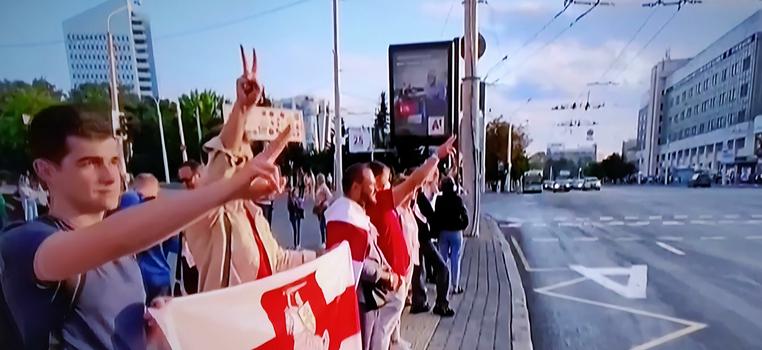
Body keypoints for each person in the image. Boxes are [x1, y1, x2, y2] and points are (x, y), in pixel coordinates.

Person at [0, 103, 283, 349]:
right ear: (45, 170)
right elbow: (118, 237)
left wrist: (154, 324)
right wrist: (229, 189)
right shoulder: (28, 242)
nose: (111, 175)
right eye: (89, 163)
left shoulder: (121, 252)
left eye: (114, 161)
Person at [184, 46, 316, 292]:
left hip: (261, 321)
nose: (249, 167)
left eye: (249, 159)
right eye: (240, 161)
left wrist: (322, 256)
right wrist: (241, 110)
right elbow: (221, 169)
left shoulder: (251, 213)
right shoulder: (205, 214)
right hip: (228, 326)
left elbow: (277, 261)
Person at [364, 135, 456, 350]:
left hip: (397, 275)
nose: (389, 183)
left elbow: (415, 185)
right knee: (382, 329)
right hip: (390, 279)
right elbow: (413, 181)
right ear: (374, 181)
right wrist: (436, 156)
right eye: (385, 179)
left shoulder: (383, 203)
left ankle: (393, 343)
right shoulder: (378, 203)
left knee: (387, 326)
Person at [324, 163, 401, 350]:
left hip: (367, 297)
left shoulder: (352, 214)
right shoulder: (346, 217)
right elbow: (354, 263)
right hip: (361, 299)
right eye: (371, 184)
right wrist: (386, 276)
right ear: (356, 187)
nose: (376, 189)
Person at [118, 173, 180, 303]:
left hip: (142, 277)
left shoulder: (130, 198)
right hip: (160, 277)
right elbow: (175, 246)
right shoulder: (157, 208)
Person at [410, 172, 454, 317]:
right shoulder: (416, 196)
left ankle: (419, 302)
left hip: (418, 238)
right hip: (423, 238)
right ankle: (441, 304)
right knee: (442, 269)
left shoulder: (414, 196)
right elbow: (429, 213)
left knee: (419, 270)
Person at [434, 176, 469, 294]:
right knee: (455, 259)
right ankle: (455, 286)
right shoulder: (457, 199)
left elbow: (436, 216)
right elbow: (465, 215)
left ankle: (442, 285)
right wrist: (462, 226)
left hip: (443, 232)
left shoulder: (439, 200)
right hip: (456, 232)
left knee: (442, 259)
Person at [314, 173, 332, 246]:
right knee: (322, 225)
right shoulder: (320, 187)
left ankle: (324, 241)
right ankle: (324, 241)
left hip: (323, 208)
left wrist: (324, 203)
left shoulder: (324, 187)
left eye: (318, 179)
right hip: (320, 208)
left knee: (323, 225)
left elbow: (330, 197)